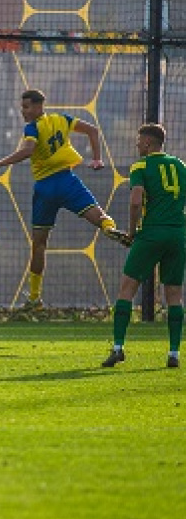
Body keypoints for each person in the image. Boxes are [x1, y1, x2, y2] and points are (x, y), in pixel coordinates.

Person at [0, 88, 127, 309]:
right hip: (67, 181)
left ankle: (34, 298)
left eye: (26, 106)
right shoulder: (62, 119)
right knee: (98, 215)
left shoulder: (32, 128)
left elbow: (28, 150)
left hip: (45, 188)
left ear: (39, 107)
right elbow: (93, 130)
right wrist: (97, 159)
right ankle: (108, 228)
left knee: (39, 244)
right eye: (22, 107)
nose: (23, 111)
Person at [102, 123, 185, 369]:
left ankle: (118, 347)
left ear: (148, 143)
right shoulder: (181, 166)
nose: (137, 145)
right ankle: (173, 353)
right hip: (178, 234)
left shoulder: (141, 166)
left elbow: (136, 200)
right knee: (174, 295)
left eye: (139, 141)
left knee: (127, 289)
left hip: (150, 234)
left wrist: (131, 232)